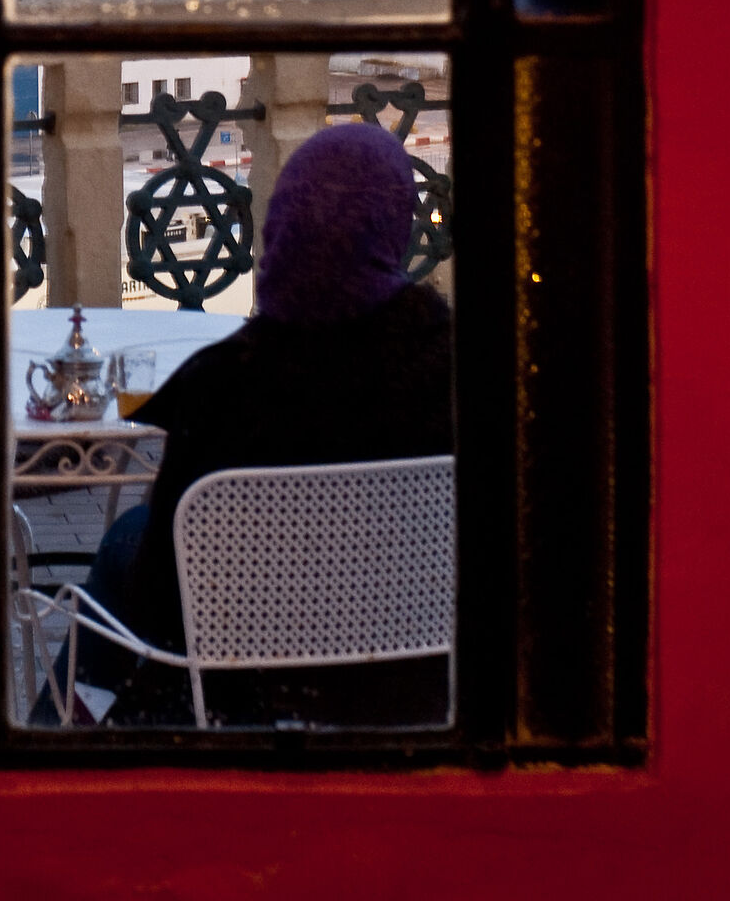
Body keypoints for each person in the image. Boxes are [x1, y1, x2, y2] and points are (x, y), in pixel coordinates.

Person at [56, 119, 453, 728]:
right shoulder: (454, 366)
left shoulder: (222, 383)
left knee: (125, 542)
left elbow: (162, 600)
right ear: (395, 226)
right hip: (415, 686)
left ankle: (51, 740)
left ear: (278, 232)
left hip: (242, 698)